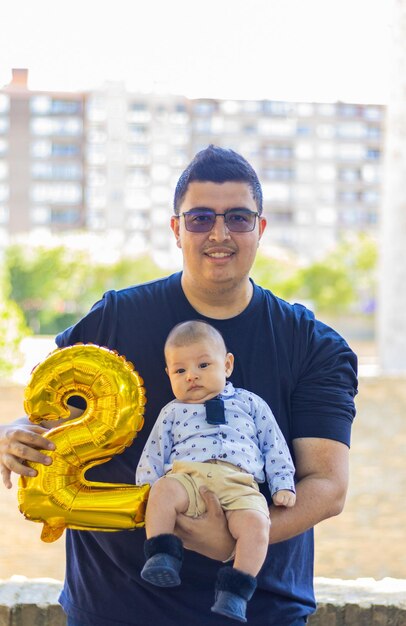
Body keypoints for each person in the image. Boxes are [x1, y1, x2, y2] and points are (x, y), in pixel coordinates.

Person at [0, 145, 358, 626]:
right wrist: (15, 434)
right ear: (176, 228)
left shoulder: (312, 344)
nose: (219, 233)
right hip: (115, 609)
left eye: (238, 217)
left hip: (259, 612)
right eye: (199, 218)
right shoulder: (114, 318)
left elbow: (327, 485)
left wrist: (236, 540)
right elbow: (49, 418)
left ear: (261, 228)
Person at [136, 320, 296, 622]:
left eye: (203, 364)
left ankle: (236, 592)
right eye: (180, 371)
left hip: (240, 484)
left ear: (227, 365)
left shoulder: (251, 404)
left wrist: (283, 483)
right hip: (188, 478)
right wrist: (146, 488)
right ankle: (161, 554)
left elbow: (274, 445)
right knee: (162, 491)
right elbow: (154, 452)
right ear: (168, 375)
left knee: (257, 526)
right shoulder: (172, 411)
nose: (192, 376)